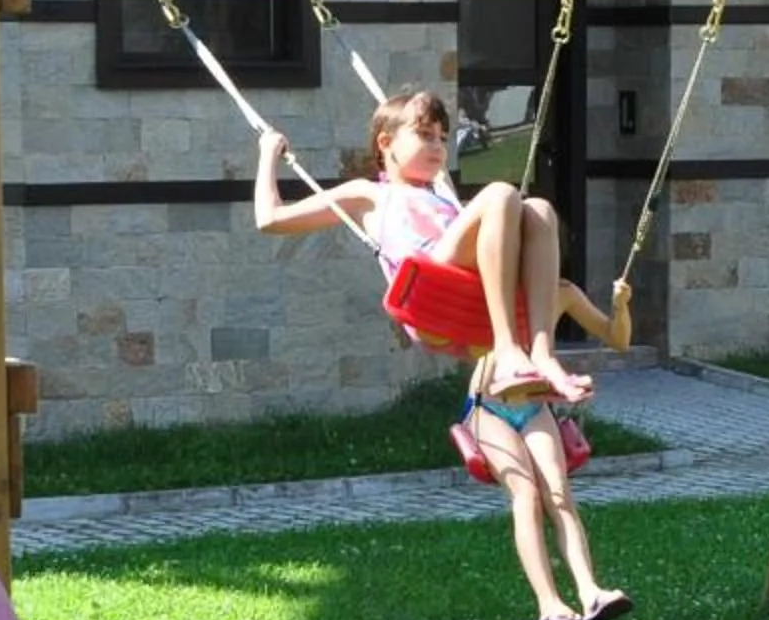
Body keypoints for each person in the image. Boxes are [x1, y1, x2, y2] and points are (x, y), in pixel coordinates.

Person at [251, 88, 627, 403]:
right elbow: (270, 219)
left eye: (443, 139)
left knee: (540, 209)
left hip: (471, 290)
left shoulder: (443, 196)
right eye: (425, 135)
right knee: (500, 193)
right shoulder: (370, 195)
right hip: (430, 284)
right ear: (386, 143)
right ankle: (508, 348)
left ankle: (542, 354)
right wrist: (269, 154)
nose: (437, 147)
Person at [461, 337, 634, 620]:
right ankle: (549, 604)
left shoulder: (556, 293)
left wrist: (620, 303)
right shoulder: (487, 297)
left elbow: (615, 335)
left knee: (559, 495)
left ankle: (590, 592)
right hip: (487, 406)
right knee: (526, 496)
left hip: (534, 405)